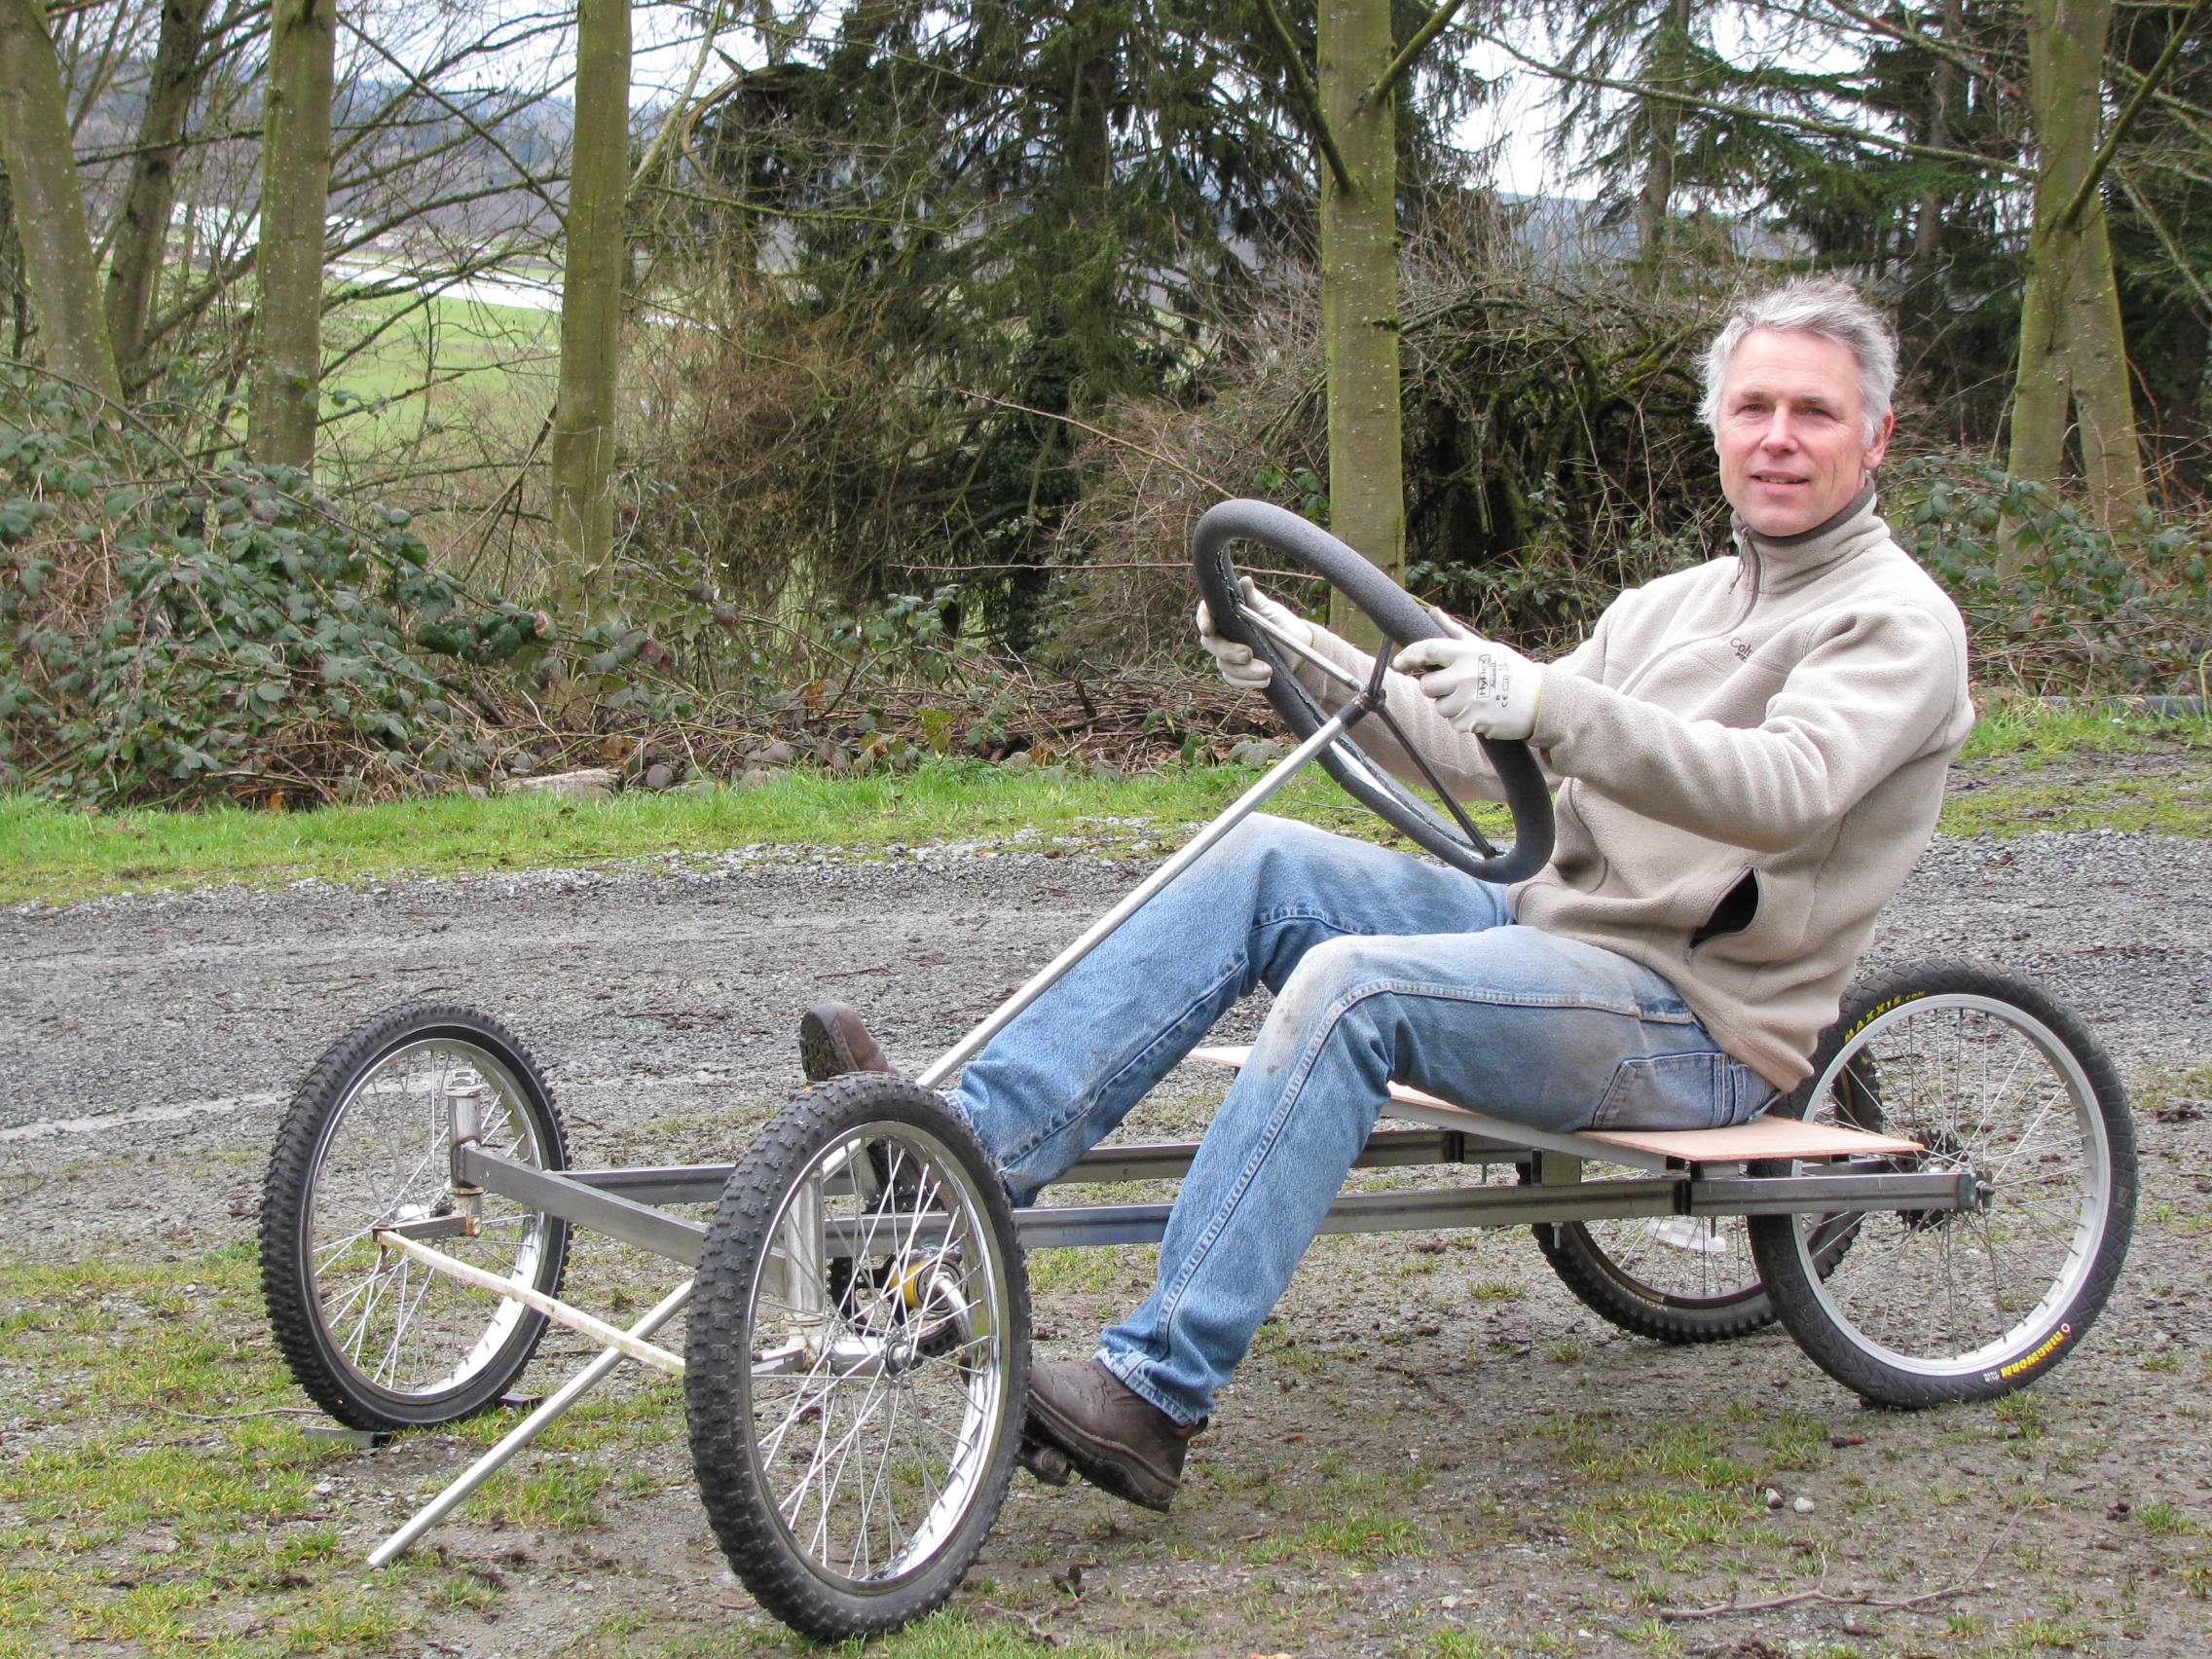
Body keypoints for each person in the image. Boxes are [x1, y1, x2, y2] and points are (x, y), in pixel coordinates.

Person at [798, 277, 1972, 1514]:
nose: (1778, 436)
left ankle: (1151, 1395)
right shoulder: (1665, 607)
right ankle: (955, 1171)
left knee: (1352, 989)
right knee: (1264, 862)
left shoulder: (1895, 624)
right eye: (1753, 407)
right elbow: (1482, 748)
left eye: (1813, 412)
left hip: (1695, 1021)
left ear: (1873, 438)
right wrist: (1287, 645)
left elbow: (1786, 788)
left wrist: (1554, 704)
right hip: (1545, 937)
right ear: (1719, 428)